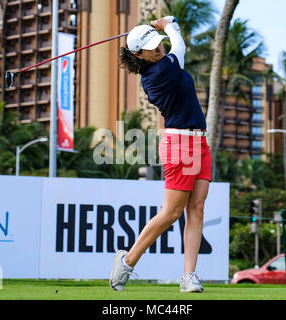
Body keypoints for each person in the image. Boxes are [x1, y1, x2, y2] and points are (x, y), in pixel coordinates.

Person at [109, 17, 212, 293]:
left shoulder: (163, 64)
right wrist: (169, 26)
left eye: (159, 45)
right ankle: (127, 261)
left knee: (197, 209)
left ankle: (189, 276)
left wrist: (160, 31)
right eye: (152, 48)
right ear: (138, 56)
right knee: (172, 212)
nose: (159, 49)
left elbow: (173, 47)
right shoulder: (158, 73)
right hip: (180, 145)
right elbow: (179, 45)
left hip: (200, 143)